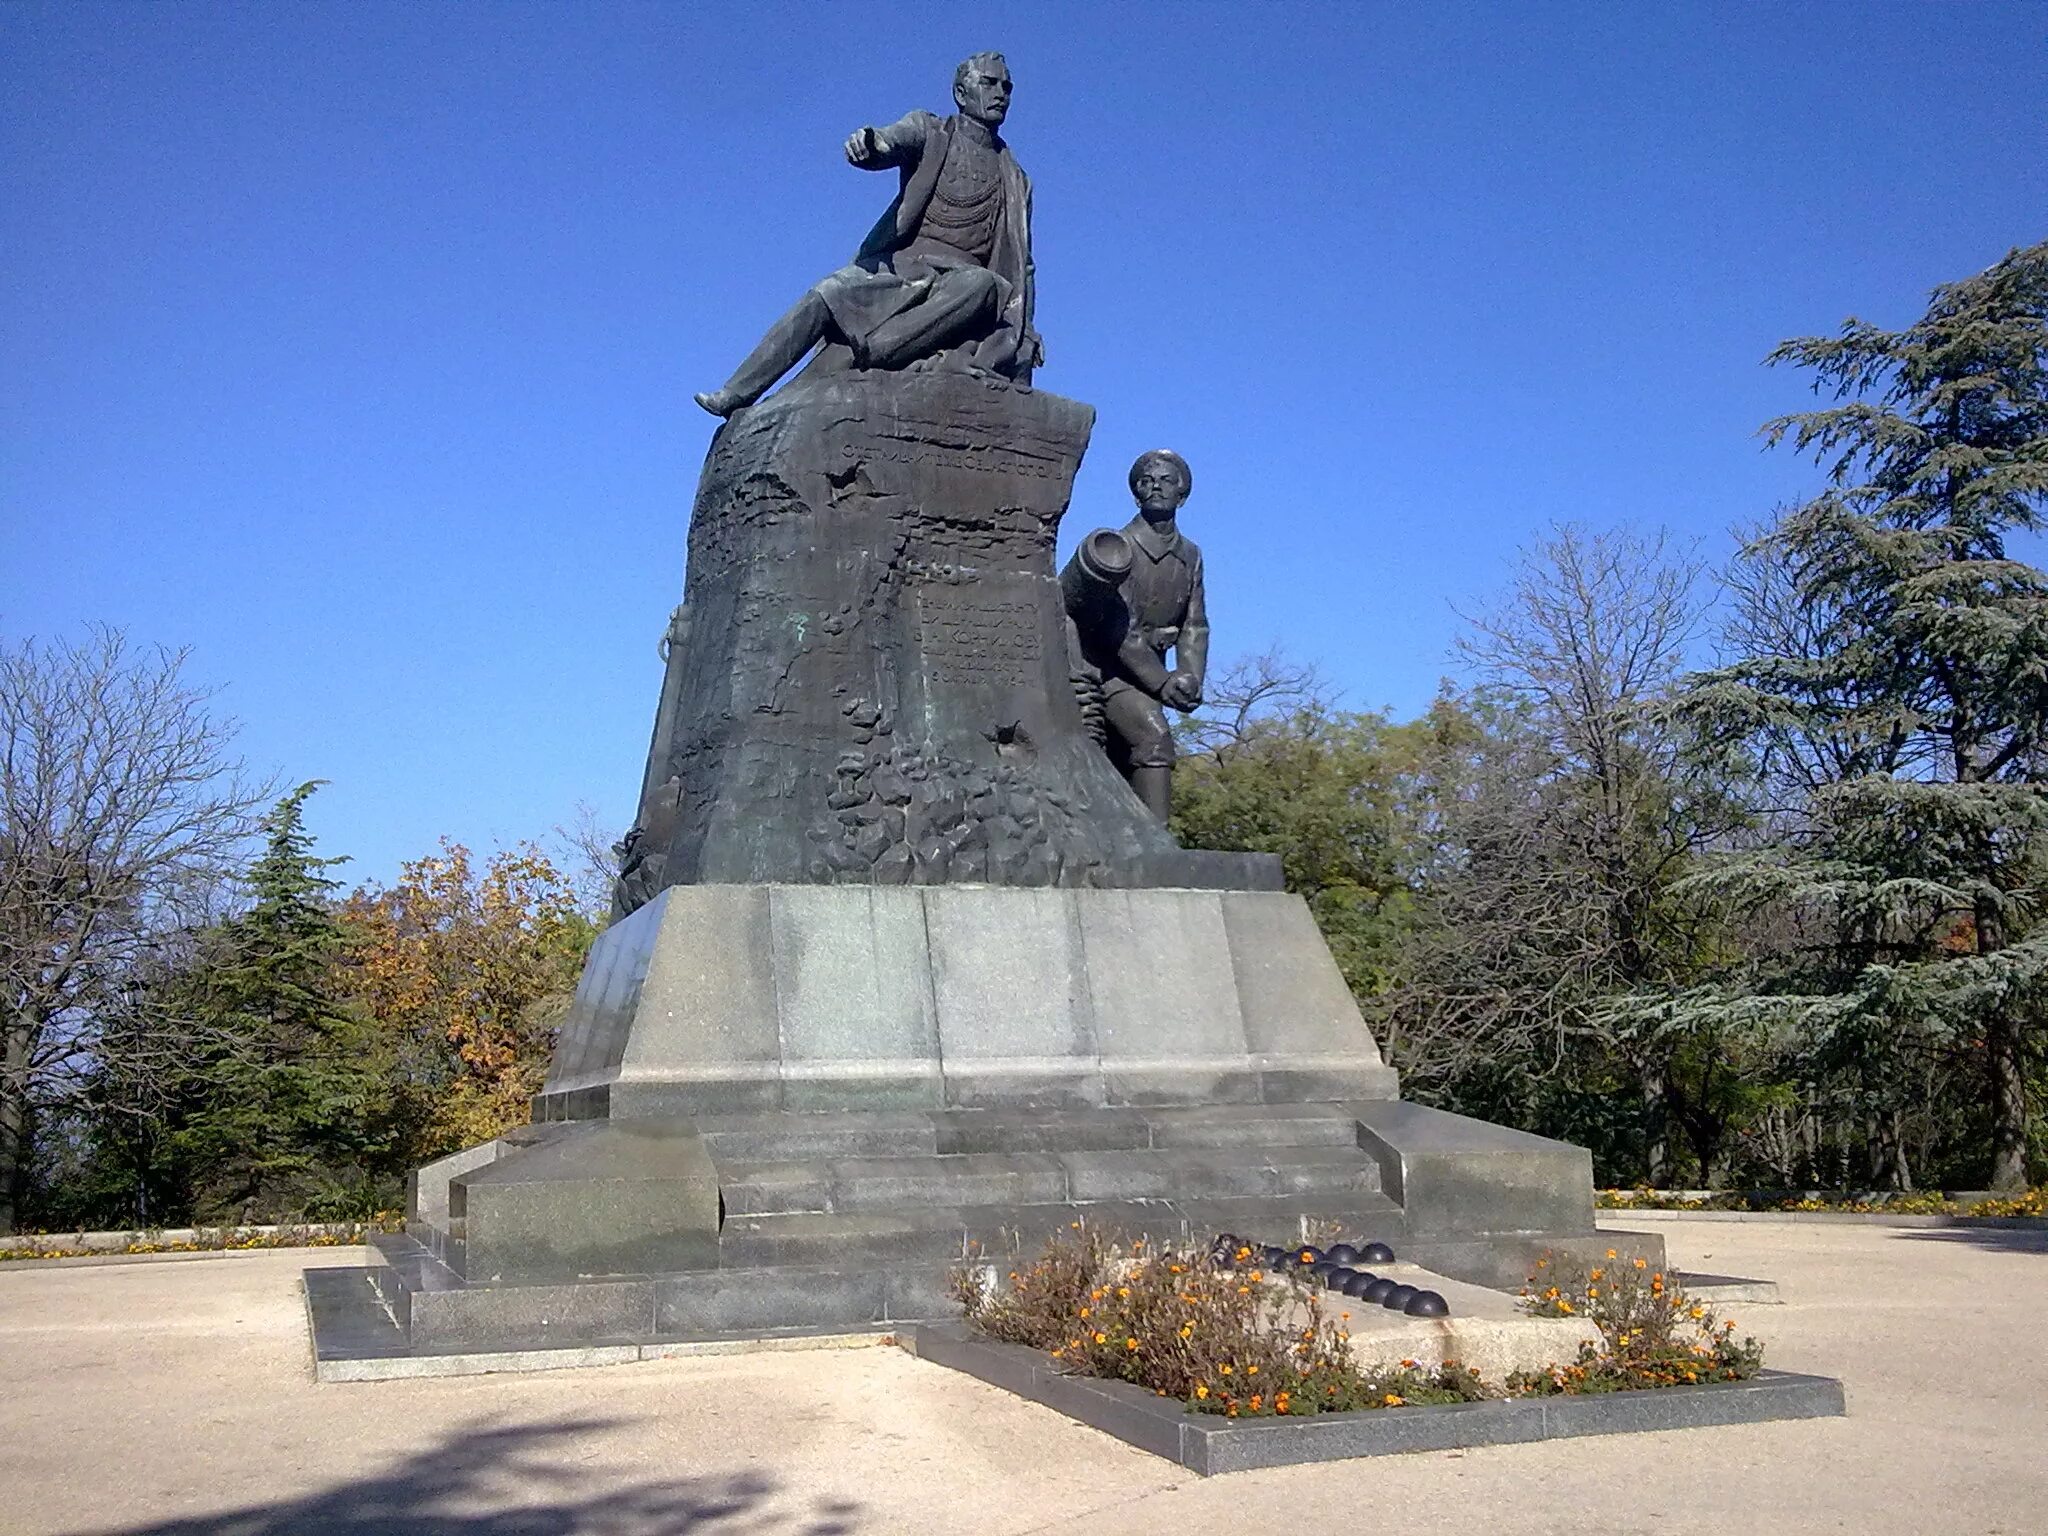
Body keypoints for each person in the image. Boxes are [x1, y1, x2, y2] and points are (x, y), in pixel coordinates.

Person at [693, 52, 1043, 417]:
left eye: (1006, 86)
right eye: (989, 83)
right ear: (960, 92)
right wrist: (871, 143)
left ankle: (874, 353)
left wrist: (1027, 331)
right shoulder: (932, 130)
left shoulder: (1016, 178)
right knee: (828, 293)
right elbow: (892, 140)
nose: (1000, 93)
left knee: (983, 284)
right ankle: (737, 391)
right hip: (906, 267)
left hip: (963, 288)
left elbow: (1023, 266)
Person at [1079, 450, 1208, 823]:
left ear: (1181, 495)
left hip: (1153, 675)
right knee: (1154, 736)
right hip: (1108, 670)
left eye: (1166, 480)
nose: (1155, 486)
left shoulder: (1191, 555)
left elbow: (1195, 624)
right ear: (1136, 494)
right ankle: (1159, 844)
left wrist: (1190, 676)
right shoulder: (1120, 548)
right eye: (1146, 481)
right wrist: (1162, 681)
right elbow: (1120, 628)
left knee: (1124, 757)